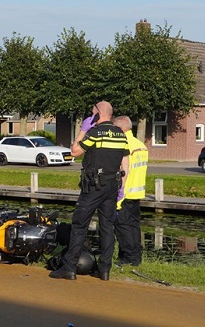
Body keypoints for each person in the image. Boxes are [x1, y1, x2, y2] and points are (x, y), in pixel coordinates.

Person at [49, 101, 129, 281]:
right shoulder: (121, 135)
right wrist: (121, 187)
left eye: (93, 113)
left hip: (93, 186)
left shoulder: (95, 132)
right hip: (112, 186)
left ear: (99, 114)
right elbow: (126, 165)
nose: (91, 116)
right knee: (107, 227)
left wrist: (82, 131)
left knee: (79, 225)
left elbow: (75, 152)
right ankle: (104, 270)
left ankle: (69, 268)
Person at [112, 116, 148, 267]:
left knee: (123, 227)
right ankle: (135, 256)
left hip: (124, 193)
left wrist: (118, 196)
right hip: (137, 193)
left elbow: (122, 172)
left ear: (120, 129)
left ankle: (128, 259)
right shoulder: (140, 145)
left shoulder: (123, 146)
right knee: (134, 227)